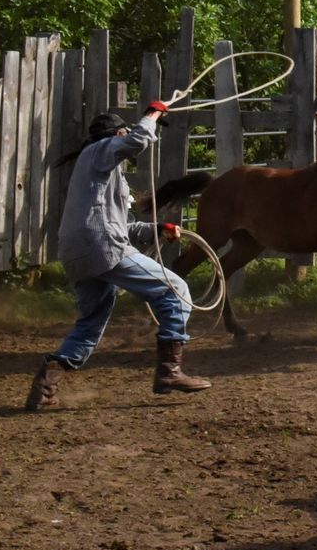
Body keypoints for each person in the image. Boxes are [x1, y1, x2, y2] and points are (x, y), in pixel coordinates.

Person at [24, 101, 210, 410]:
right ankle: (169, 371)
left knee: (89, 324)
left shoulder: (100, 171)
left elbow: (123, 226)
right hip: (101, 247)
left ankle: (45, 387)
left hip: (80, 252)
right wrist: (152, 115)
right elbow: (137, 140)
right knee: (176, 291)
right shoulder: (100, 151)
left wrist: (158, 228)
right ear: (117, 133)